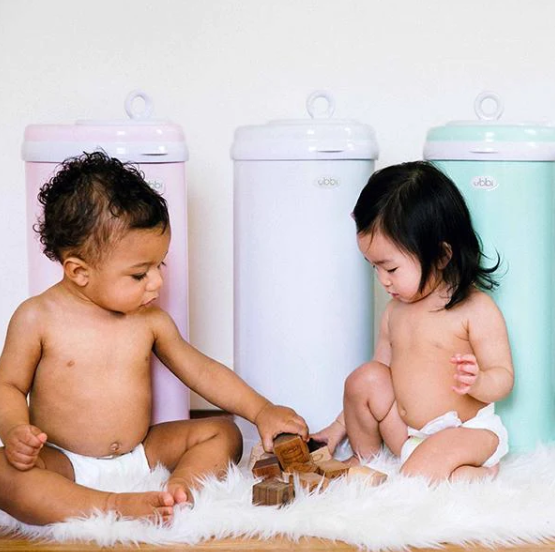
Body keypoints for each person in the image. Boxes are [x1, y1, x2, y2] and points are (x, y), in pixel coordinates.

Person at [0, 151, 308, 525]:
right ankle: (111, 505)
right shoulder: (37, 317)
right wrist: (14, 430)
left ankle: (178, 489)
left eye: (159, 265)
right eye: (139, 274)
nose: (157, 282)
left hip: (141, 452)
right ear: (79, 271)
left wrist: (261, 411)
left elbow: (201, 371)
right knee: (4, 475)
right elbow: (8, 386)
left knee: (223, 432)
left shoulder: (149, 321)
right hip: (63, 459)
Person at [312, 161, 514, 482]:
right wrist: (340, 426)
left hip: (466, 432)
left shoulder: (475, 309)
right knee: (364, 378)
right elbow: (381, 373)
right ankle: (368, 459)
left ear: (442, 256)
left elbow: (503, 378)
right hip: (408, 436)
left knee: (417, 476)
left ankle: (478, 474)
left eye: (391, 268)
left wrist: (478, 383)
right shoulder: (395, 311)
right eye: (374, 267)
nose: (383, 280)